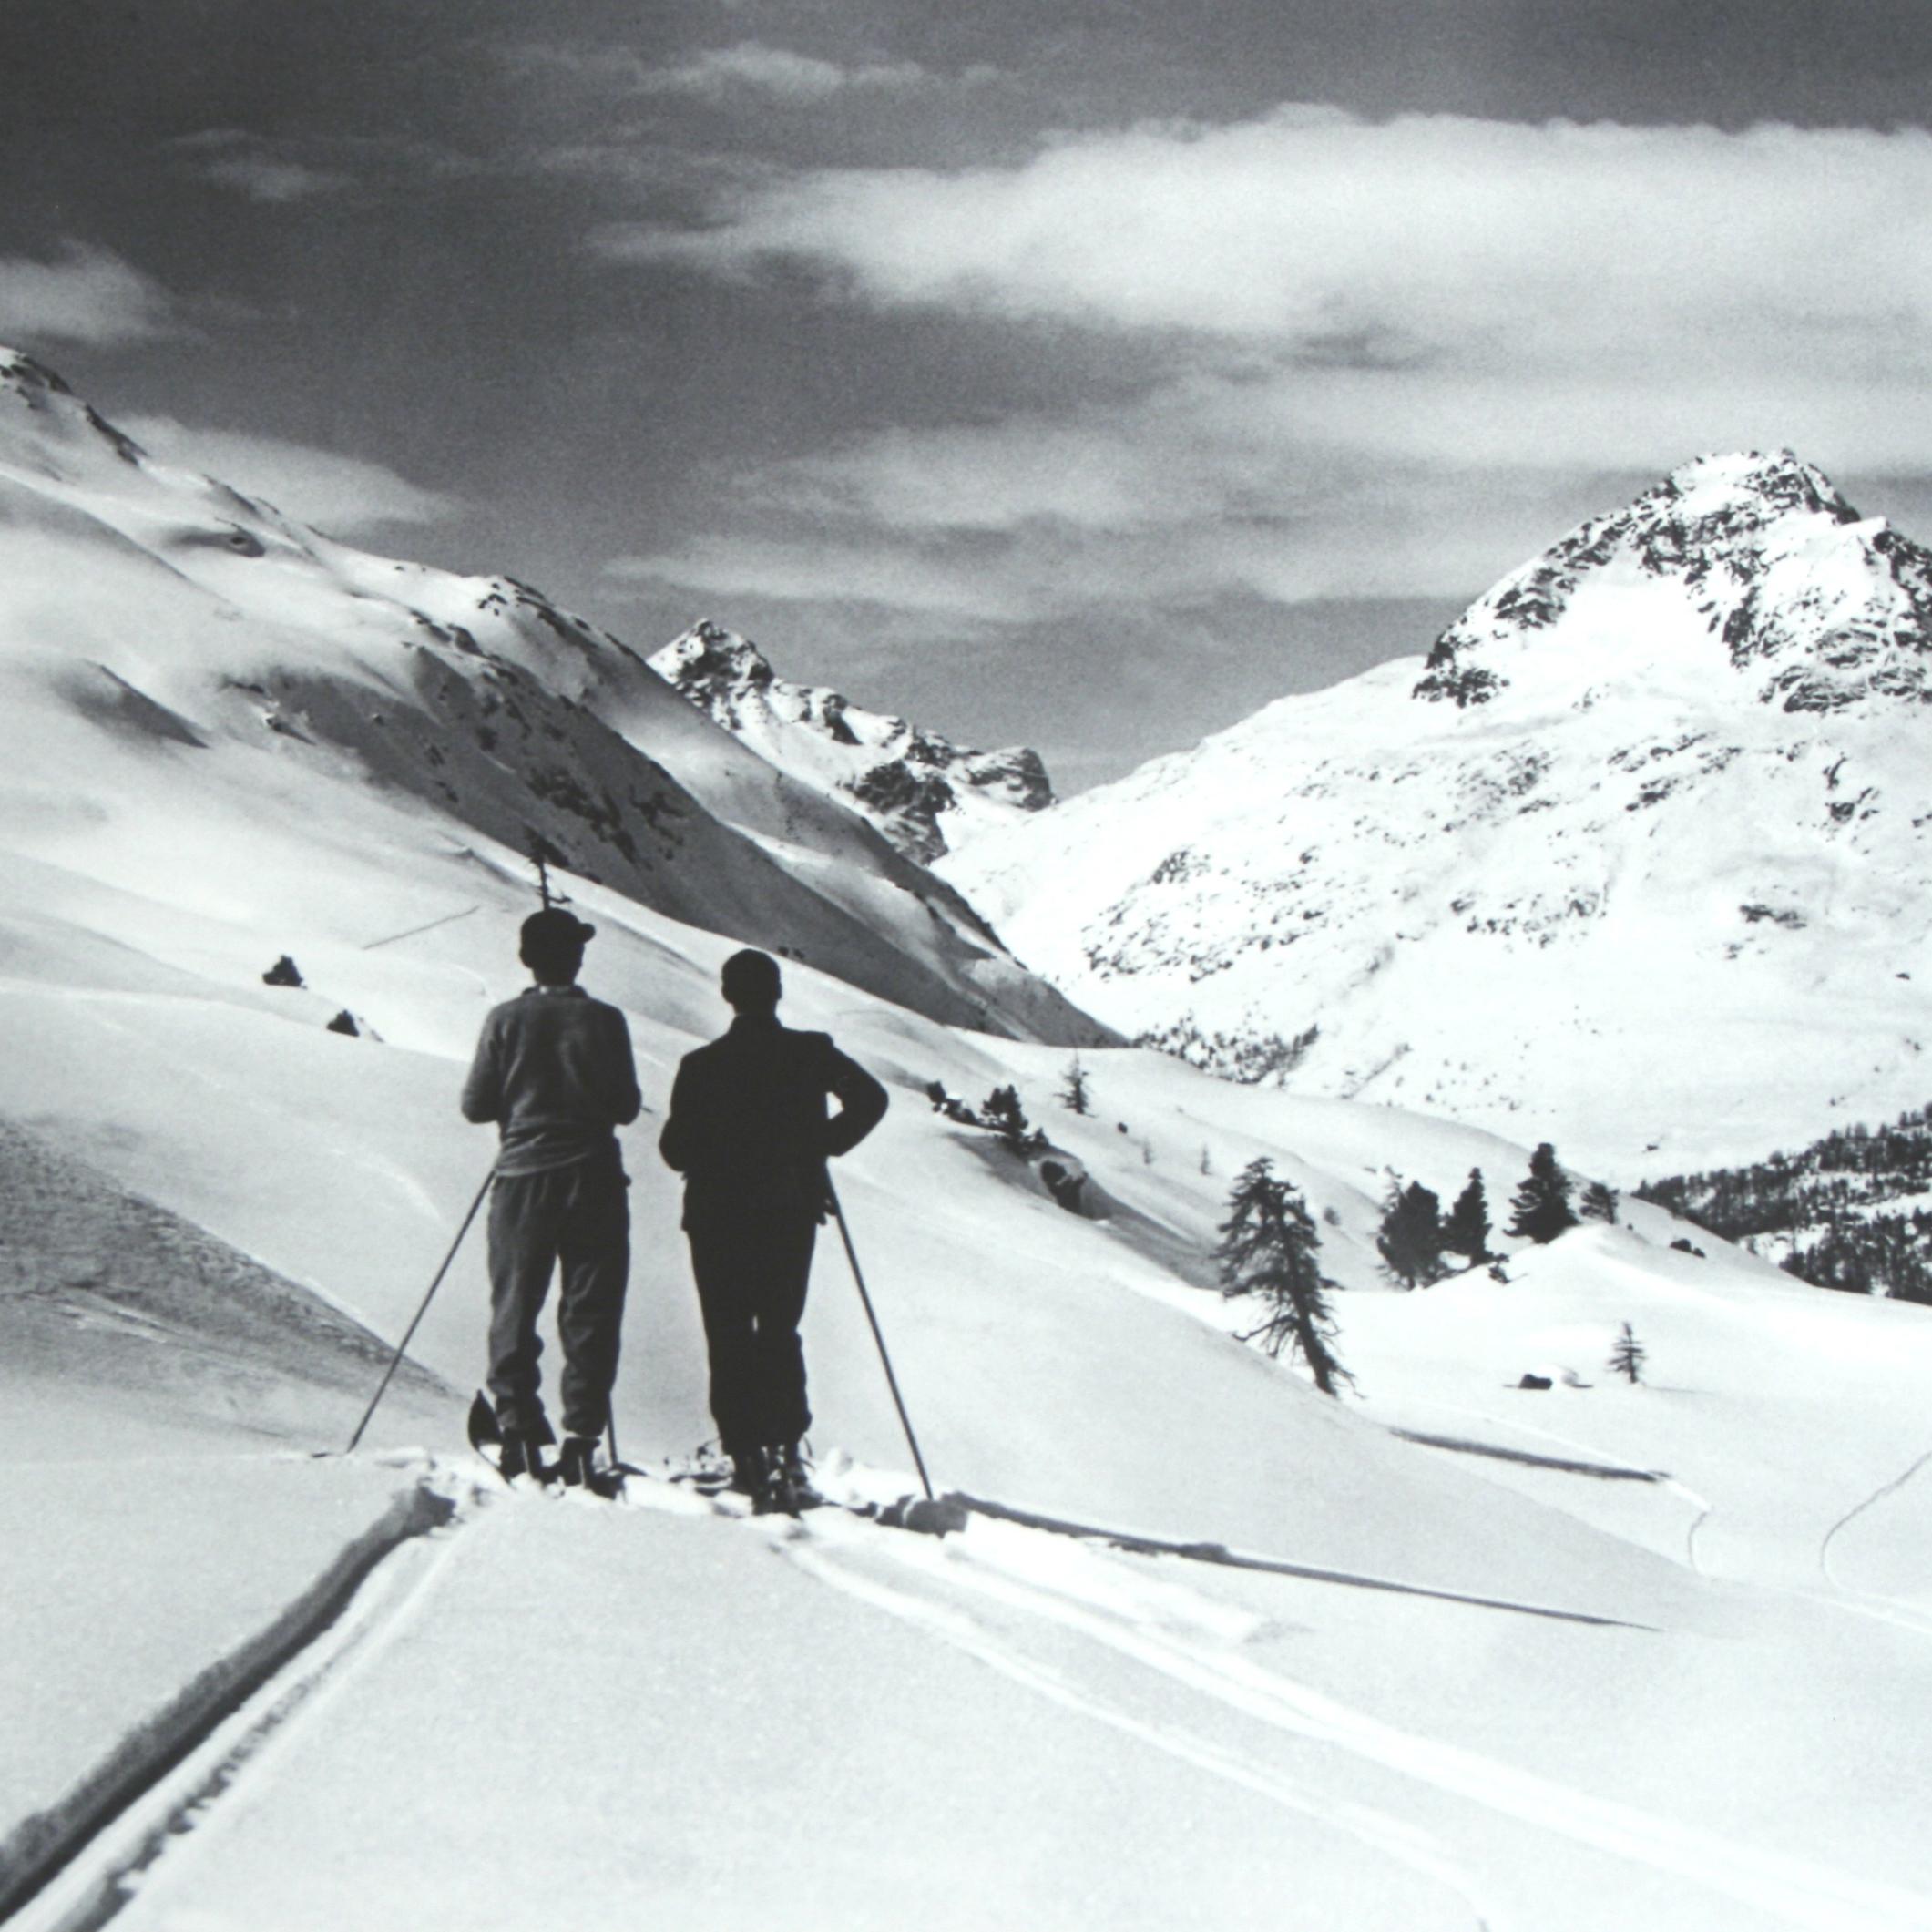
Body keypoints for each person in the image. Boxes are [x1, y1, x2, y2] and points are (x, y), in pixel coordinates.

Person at [659, 947, 887, 1509]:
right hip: (788, 1207)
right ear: (777, 992)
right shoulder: (810, 1053)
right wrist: (820, 1147)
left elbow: (674, 1149)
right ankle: (786, 1447)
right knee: (780, 1327)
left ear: (728, 996)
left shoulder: (701, 1065)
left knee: (728, 1331)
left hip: (716, 1216)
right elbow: (871, 1099)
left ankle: (745, 1456)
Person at [461, 906, 640, 1486]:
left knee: (515, 1303)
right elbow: (626, 1107)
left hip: (522, 1176)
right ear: (577, 956)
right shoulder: (605, 1020)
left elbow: (475, 1105)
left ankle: (517, 1430)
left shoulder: (503, 1020)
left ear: (525, 959)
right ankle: (582, 1437)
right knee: (590, 1309)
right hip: (593, 1176)